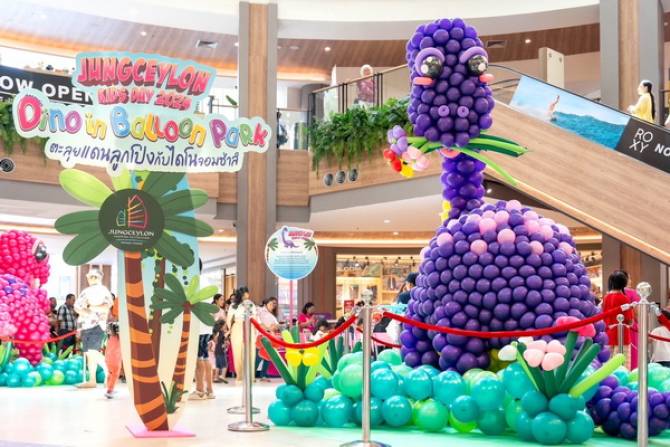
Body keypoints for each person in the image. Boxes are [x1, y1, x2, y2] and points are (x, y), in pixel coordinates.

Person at [75, 269, 113, 389]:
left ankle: (109, 371)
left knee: (92, 351)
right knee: (89, 354)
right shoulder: (85, 291)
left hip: (97, 325)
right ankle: (92, 380)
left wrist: (90, 307)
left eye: (95, 276)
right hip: (85, 325)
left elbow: (106, 307)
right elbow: (77, 307)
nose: (92, 278)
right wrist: (85, 311)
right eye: (90, 276)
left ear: (100, 277)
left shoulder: (103, 290)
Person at [190, 293, 226, 400]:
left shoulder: (201, 306)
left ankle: (200, 391)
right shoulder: (212, 308)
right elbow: (220, 323)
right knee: (205, 358)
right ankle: (209, 391)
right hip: (207, 332)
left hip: (200, 331)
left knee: (199, 359)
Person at [602, 270, 634, 369]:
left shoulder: (606, 297)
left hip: (608, 334)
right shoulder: (624, 298)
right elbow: (629, 320)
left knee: (608, 366)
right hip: (622, 335)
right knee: (623, 366)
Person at [226, 286, 257, 384]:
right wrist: (230, 330)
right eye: (247, 292)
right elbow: (229, 319)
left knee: (251, 352)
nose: (248, 294)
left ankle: (250, 376)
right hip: (237, 327)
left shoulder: (251, 304)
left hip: (249, 326)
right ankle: (239, 376)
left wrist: (255, 331)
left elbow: (255, 317)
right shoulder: (233, 305)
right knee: (237, 352)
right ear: (243, 294)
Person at [256, 297, 280, 381]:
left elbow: (276, 325)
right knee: (259, 356)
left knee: (268, 356)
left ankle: (263, 375)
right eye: (270, 304)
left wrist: (273, 327)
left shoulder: (271, 315)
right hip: (262, 337)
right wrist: (268, 328)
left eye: (273, 304)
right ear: (265, 305)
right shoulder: (260, 311)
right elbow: (259, 324)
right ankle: (252, 375)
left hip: (270, 337)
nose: (272, 306)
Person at [104, 293, 121, 399]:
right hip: (115, 337)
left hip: (114, 338)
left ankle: (110, 388)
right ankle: (110, 389)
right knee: (114, 364)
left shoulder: (110, 310)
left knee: (112, 364)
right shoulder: (110, 311)